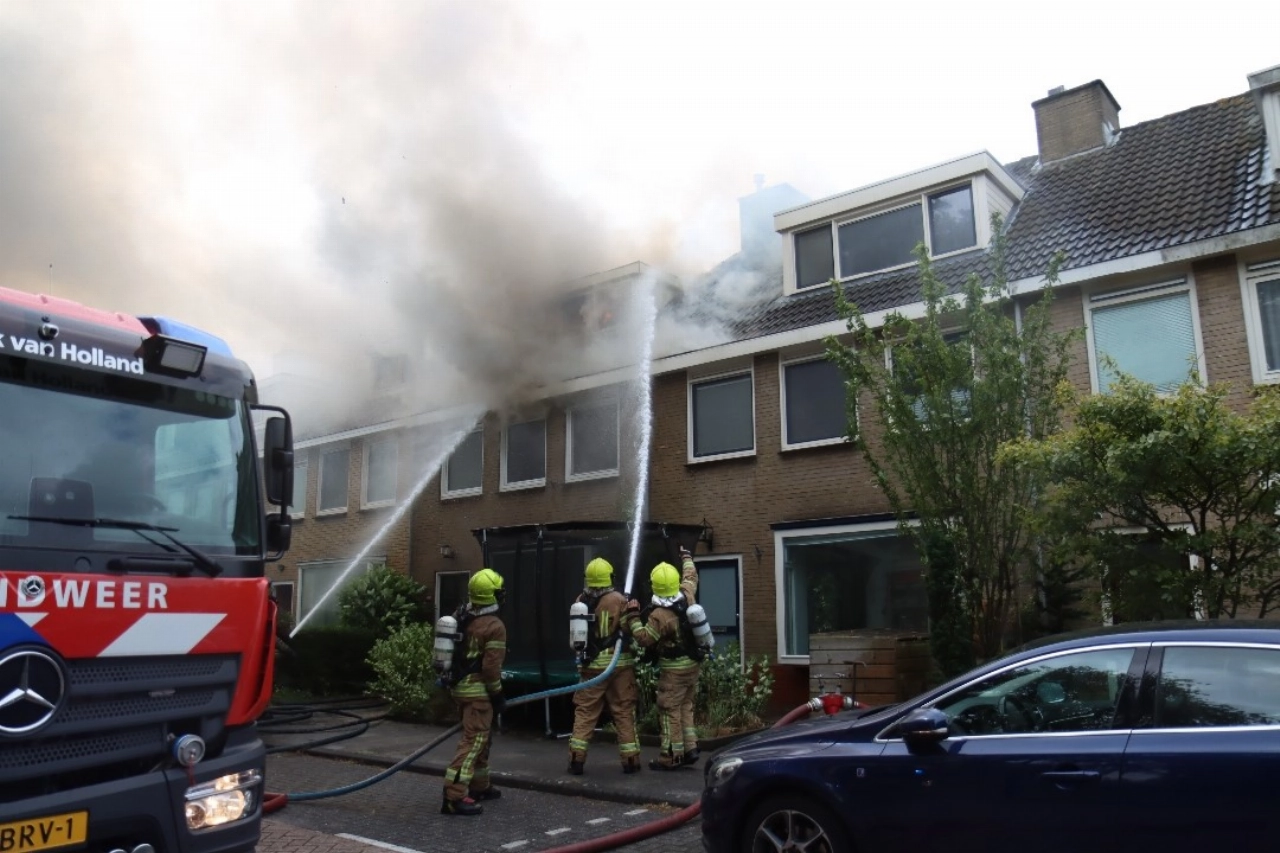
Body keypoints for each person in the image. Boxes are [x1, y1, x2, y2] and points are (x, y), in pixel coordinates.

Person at [624, 546, 701, 771]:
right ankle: (690, 748)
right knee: (685, 706)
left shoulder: (659, 616)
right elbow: (691, 575)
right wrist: (686, 557)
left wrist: (633, 617)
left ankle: (670, 756)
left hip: (674, 671)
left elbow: (645, 639)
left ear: (654, 586)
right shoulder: (687, 594)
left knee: (669, 710)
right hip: (693, 666)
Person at [440, 568, 508, 816]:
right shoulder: (494, 625)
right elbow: (491, 668)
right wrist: (498, 694)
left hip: (460, 687)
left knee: (482, 738)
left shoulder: (462, 615)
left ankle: (480, 786)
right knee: (473, 741)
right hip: (478, 692)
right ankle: (454, 795)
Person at [567, 557, 641, 776]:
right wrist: (632, 610)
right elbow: (629, 629)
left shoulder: (580, 600)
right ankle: (630, 760)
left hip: (590, 667)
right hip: (619, 666)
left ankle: (576, 760)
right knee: (623, 712)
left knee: (585, 713)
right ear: (609, 577)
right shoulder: (619, 599)